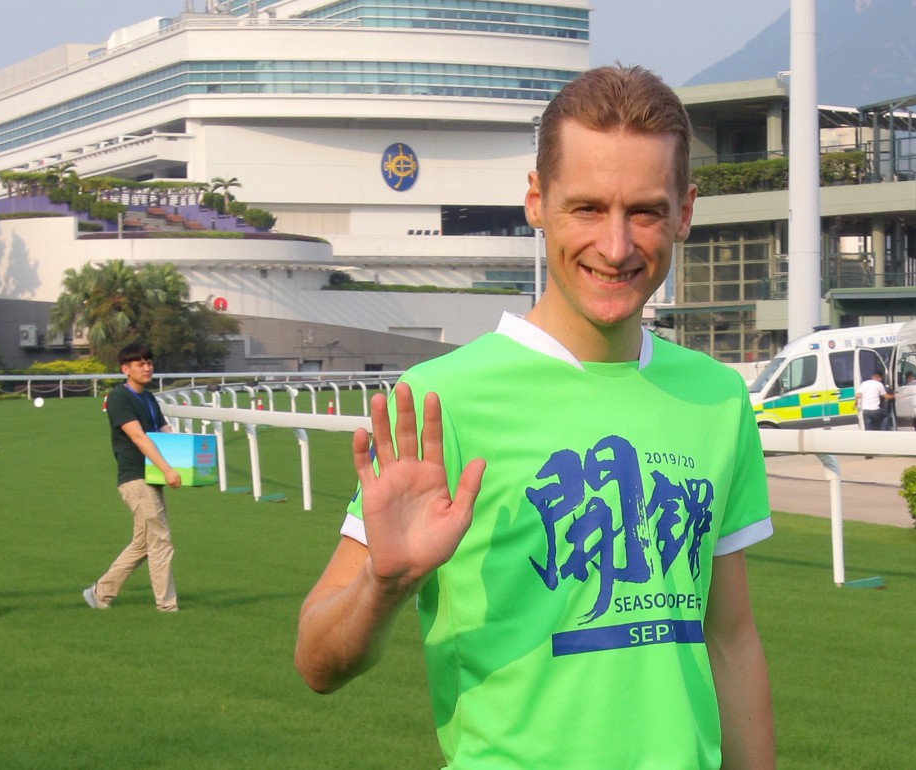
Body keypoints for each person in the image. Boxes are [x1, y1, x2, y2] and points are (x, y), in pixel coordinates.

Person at [294, 65, 776, 770]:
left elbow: (730, 641)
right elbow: (316, 660)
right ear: (536, 201)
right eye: (586, 208)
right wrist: (384, 586)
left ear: (685, 211)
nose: (616, 246)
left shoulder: (716, 398)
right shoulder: (440, 402)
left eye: (643, 211)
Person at [83, 343, 181, 612]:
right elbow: (139, 437)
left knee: (143, 543)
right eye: (140, 363)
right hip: (135, 478)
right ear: (125, 369)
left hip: (152, 476)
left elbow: (163, 428)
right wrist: (167, 468)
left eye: (149, 362)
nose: (147, 367)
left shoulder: (148, 397)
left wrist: (184, 460)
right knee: (160, 540)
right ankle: (167, 606)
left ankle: (100, 593)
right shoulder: (119, 397)